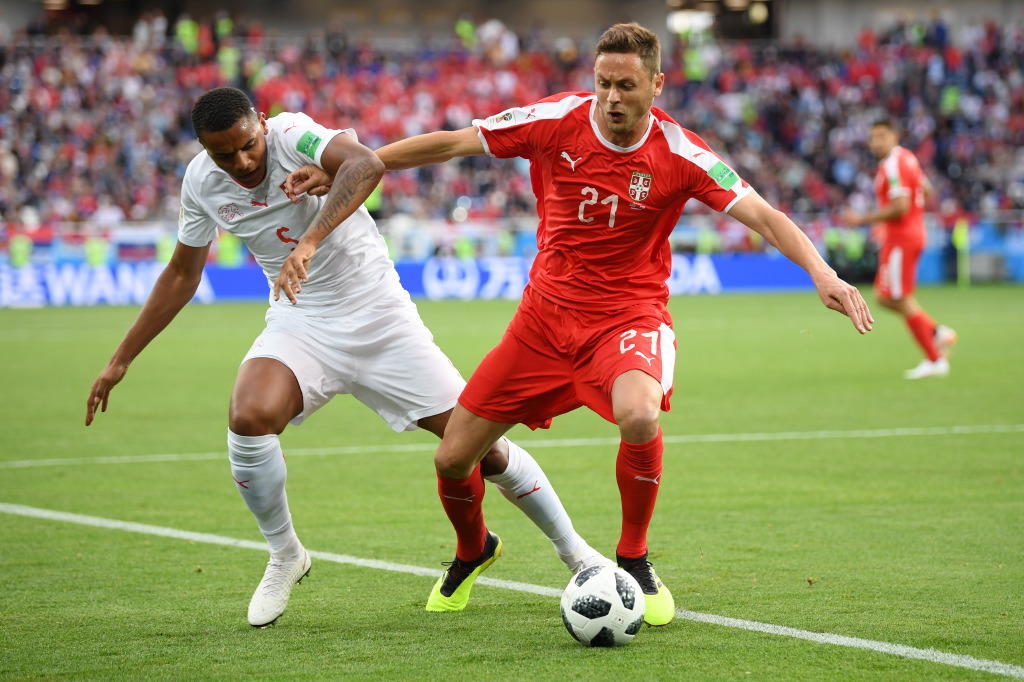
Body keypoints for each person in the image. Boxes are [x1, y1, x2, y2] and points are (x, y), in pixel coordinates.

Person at [277, 23, 874, 627]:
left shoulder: (681, 153)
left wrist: (822, 273)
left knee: (639, 413)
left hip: (626, 319)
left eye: (627, 86)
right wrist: (365, 165)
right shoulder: (555, 121)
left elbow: (764, 216)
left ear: (657, 85)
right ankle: (472, 550)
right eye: (603, 83)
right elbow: (455, 144)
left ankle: (634, 559)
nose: (612, 97)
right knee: (453, 460)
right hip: (542, 323)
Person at [85, 86, 605, 628]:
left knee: (481, 449)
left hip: (380, 318)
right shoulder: (201, 183)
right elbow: (181, 274)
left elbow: (363, 163)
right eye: (223, 155)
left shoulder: (292, 134)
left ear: (261, 124)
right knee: (248, 416)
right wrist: (121, 359)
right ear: (203, 150)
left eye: (247, 146)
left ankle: (576, 554)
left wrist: (307, 241)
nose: (241, 162)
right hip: (301, 322)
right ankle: (286, 555)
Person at [843, 119, 957, 379]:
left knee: (894, 297)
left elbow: (902, 205)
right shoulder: (908, 158)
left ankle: (934, 356)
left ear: (895, 135)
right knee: (887, 296)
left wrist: (862, 220)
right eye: (873, 137)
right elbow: (925, 191)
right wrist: (908, 220)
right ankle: (937, 334)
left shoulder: (893, 163)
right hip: (906, 234)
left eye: (882, 135)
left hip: (902, 238)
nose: (877, 142)